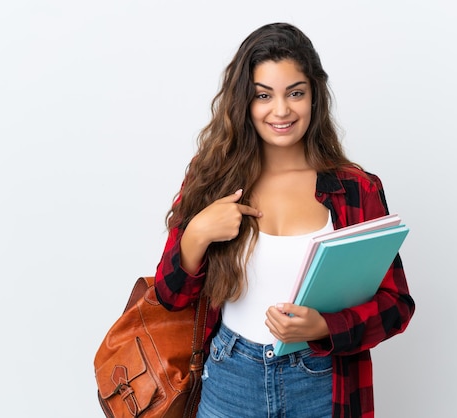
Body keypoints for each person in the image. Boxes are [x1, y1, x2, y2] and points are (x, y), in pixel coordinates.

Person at [155, 22, 415, 418]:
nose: (281, 110)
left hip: (322, 382)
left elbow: (396, 305)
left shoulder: (356, 190)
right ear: (244, 102)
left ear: (314, 96)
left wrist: (325, 327)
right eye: (263, 95)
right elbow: (169, 295)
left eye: (295, 93)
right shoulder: (212, 178)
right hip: (229, 379)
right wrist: (198, 233)